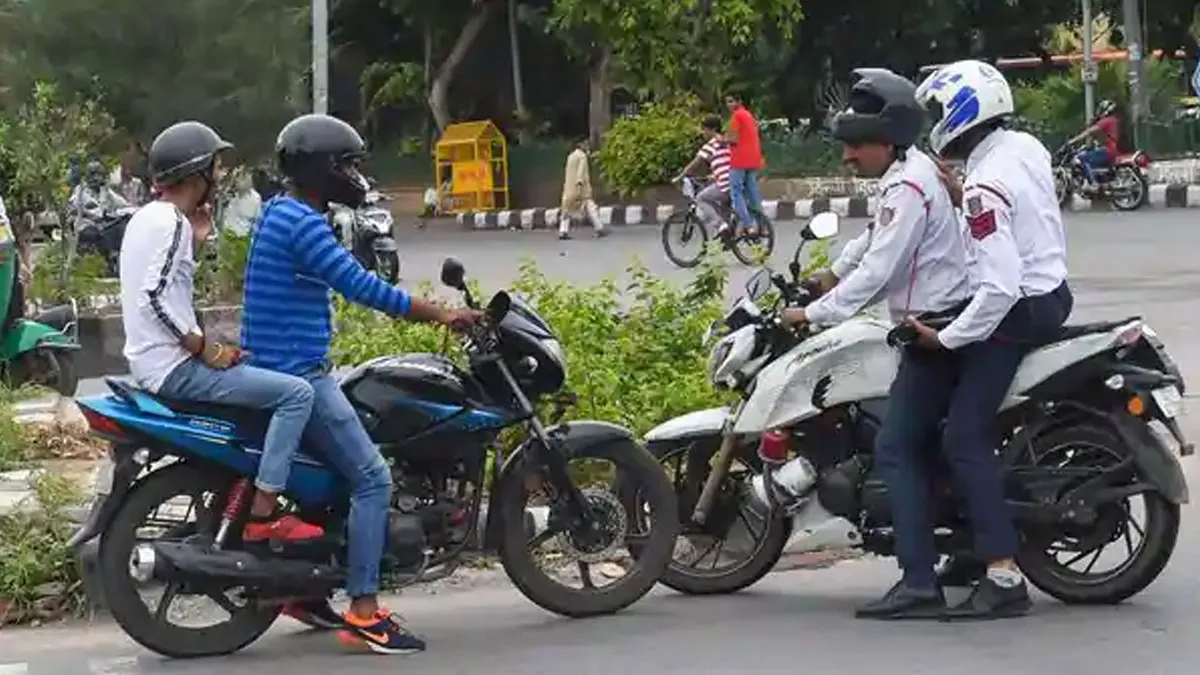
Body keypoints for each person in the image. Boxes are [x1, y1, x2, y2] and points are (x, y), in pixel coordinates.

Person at [241, 113, 481, 654]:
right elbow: (363, 287)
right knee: (373, 479)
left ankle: (305, 592)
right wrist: (444, 314)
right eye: (347, 165)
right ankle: (365, 613)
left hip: (276, 363)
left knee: (337, 474)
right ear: (322, 168)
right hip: (298, 372)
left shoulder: (279, 210)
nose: (355, 176)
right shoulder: (304, 224)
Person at [778, 67, 975, 620]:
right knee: (926, 445)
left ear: (886, 141)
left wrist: (813, 313)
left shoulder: (909, 186)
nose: (847, 156)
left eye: (856, 144)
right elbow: (872, 238)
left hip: (934, 329)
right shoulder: (909, 174)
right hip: (935, 320)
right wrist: (829, 274)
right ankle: (967, 553)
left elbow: (881, 269)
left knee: (895, 449)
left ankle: (918, 582)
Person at [118, 121, 324, 558]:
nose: (220, 174)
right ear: (196, 176)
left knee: (254, 373)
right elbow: (153, 297)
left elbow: (165, 286)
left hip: (151, 364)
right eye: (214, 166)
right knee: (297, 395)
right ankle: (265, 514)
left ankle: (246, 489)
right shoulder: (170, 222)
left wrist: (194, 243)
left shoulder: (146, 218)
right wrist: (203, 348)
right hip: (175, 369)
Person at [913, 58, 1073, 619]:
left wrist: (946, 339)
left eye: (940, 110)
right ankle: (965, 548)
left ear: (961, 112)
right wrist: (961, 195)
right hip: (1052, 291)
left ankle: (1003, 573)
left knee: (962, 436)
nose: (935, 121)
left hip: (1015, 310)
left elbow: (999, 287)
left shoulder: (983, 185)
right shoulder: (1023, 148)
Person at [674, 115, 732, 231]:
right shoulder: (726, 142)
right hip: (734, 180)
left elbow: (694, 164)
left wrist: (679, 177)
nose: (703, 133)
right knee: (724, 209)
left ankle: (720, 225)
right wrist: (713, 176)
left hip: (725, 184)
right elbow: (725, 165)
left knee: (701, 198)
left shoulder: (711, 144)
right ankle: (727, 234)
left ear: (713, 129)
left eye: (705, 129)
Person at [724, 94, 765, 237]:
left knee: (736, 193)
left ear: (739, 101)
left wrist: (722, 139)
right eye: (727, 102)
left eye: (731, 101)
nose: (729, 105)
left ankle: (748, 225)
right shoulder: (749, 115)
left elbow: (733, 139)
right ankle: (762, 225)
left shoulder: (737, 116)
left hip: (739, 160)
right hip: (753, 160)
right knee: (753, 193)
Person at [558, 138, 606, 240]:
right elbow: (581, 171)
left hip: (568, 188)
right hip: (580, 188)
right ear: (581, 144)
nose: (587, 146)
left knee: (566, 209)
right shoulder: (582, 156)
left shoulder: (571, 156)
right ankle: (599, 228)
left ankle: (563, 231)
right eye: (586, 143)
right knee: (590, 207)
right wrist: (579, 184)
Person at [1068, 99, 1120, 188]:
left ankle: (1093, 184)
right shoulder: (1114, 120)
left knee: (1082, 158)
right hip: (1112, 150)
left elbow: (1089, 132)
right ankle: (1101, 183)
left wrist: (1073, 141)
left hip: (1107, 150)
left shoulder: (1106, 121)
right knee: (1092, 158)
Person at [70, 160, 130, 226]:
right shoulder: (80, 190)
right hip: (88, 226)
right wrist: (87, 213)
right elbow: (73, 208)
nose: (94, 178)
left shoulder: (106, 191)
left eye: (98, 174)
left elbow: (124, 205)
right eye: (91, 174)